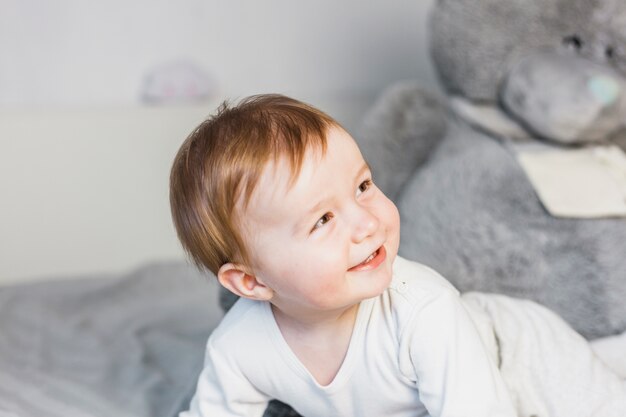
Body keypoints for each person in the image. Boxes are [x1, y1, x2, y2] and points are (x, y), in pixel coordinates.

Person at [169, 94, 624, 417]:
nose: (367, 223)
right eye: (322, 220)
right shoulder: (239, 347)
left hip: (517, 353)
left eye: (363, 187)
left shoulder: (424, 311)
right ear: (250, 283)